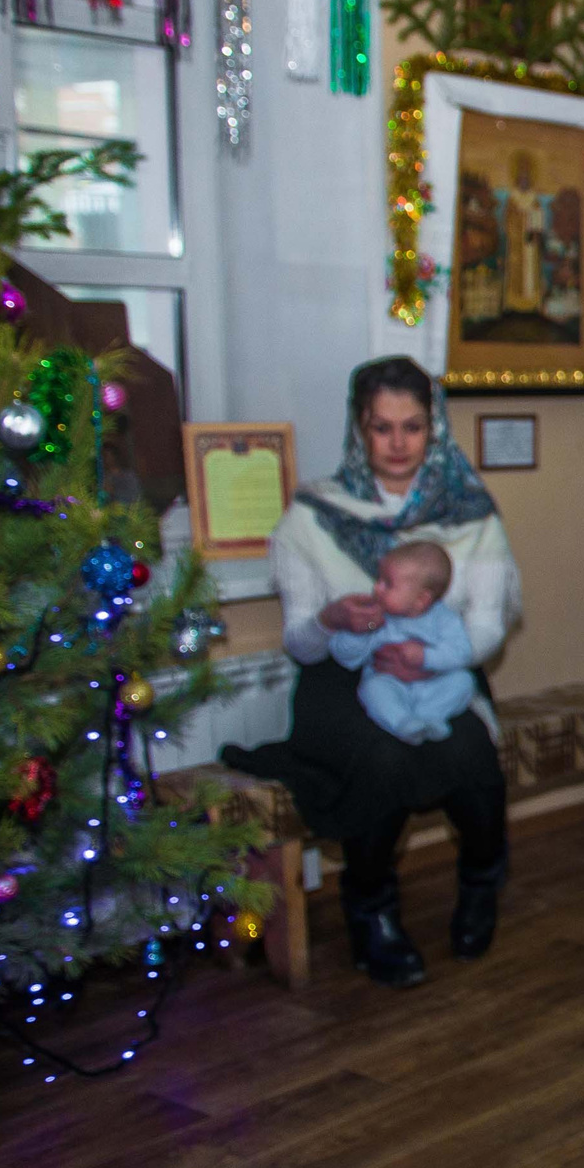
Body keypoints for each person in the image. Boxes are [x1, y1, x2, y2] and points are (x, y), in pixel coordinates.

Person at [224, 358, 521, 989]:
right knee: (382, 757)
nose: (397, 444)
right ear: (359, 428)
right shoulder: (312, 515)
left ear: (433, 428)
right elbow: (302, 644)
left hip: (442, 669)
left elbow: (488, 625)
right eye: (382, 428)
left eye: (412, 427)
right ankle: (371, 911)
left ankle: (480, 884)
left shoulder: (469, 513)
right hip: (342, 679)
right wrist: (330, 619)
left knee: (469, 750)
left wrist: (429, 659)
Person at [332, 543, 477, 745]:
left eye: (388, 584)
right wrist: (364, 629)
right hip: (390, 684)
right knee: (372, 689)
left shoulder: (445, 619)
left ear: (421, 600)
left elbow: (461, 653)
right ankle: (403, 723)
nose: (376, 588)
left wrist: (425, 656)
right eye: (378, 579)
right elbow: (344, 656)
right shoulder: (376, 616)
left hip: (434, 684)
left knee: (464, 681)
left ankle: (430, 717)